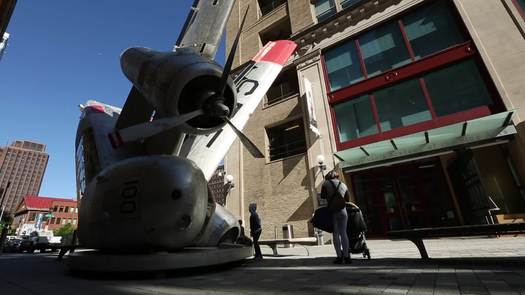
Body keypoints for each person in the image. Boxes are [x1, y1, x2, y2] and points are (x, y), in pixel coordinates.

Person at [321, 170, 351, 264]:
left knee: (336, 234)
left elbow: (322, 196)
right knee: (343, 233)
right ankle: (347, 257)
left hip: (333, 211)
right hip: (343, 211)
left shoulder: (326, 184)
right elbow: (347, 199)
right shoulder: (343, 184)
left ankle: (339, 257)